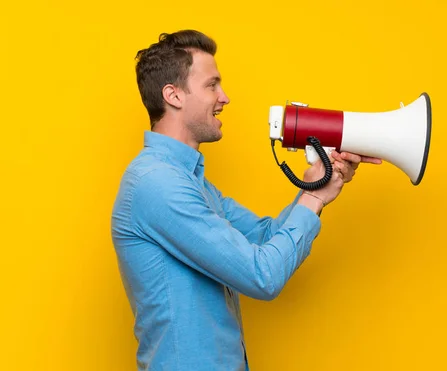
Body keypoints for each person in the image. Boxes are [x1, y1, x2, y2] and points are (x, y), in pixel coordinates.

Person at [111, 29, 382, 371]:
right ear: (174, 95)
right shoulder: (157, 184)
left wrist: (322, 183)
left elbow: (264, 237)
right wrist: (311, 201)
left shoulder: (191, 182)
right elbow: (262, 276)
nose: (224, 97)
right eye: (212, 85)